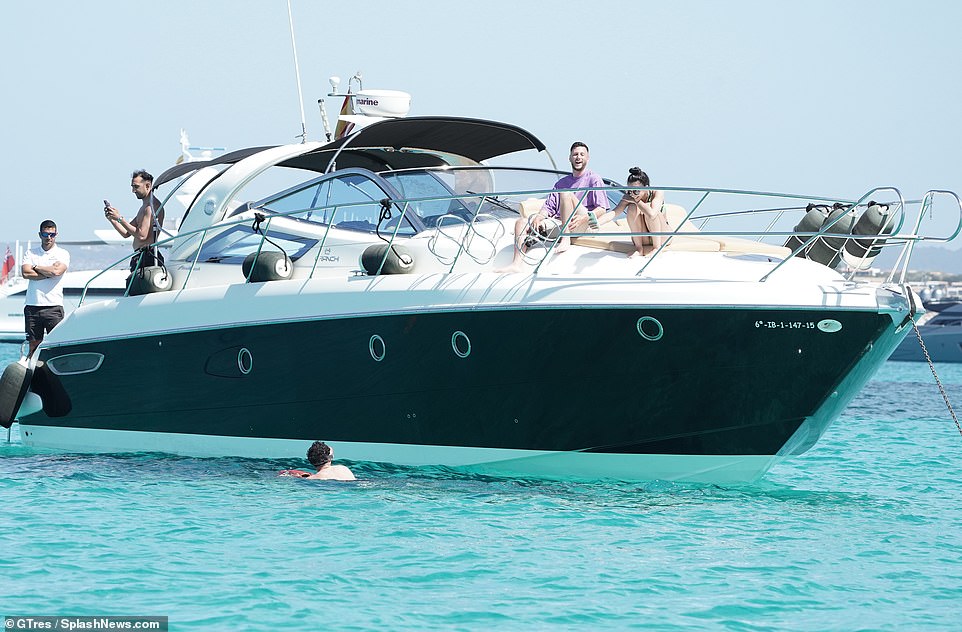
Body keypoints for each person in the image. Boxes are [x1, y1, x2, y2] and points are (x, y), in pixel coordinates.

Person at [496, 142, 609, 272]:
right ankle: (516, 264)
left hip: (582, 222)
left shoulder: (594, 179)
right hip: (561, 223)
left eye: (582, 155)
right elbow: (549, 207)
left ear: (587, 158)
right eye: (575, 154)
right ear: (570, 158)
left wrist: (583, 218)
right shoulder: (561, 183)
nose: (578, 157)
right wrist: (539, 217)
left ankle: (565, 238)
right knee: (521, 222)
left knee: (566, 193)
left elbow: (602, 209)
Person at [21, 220, 70, 357]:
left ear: (56, 234)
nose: (49, 237)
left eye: (52, 234)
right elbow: (26, 273)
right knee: (34, 345)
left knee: (56, 344)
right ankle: (34, 372)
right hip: (33, 306)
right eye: (45, 234)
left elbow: (57, 272)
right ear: (40, 234)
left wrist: (36, 267)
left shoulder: (62, 253)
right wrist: (48, 272)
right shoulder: (31, 253)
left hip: (53, 307)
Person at [104, 169, 166, 275]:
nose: (133, 190)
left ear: (147, 186)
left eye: (136, 187)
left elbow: (142, 235)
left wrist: (119, 218)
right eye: (132, 187)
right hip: (140, 256)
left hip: (147, 257)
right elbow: (126, 233)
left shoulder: (151, 207)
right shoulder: (144, 207)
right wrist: (113, 220)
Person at [604, 167, 669, 258]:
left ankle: (656, 248)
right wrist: (596, 222)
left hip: (661, 237)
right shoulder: (629, 197)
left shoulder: (657, 192)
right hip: (643, 239)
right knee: (632, 208)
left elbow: (652, 214)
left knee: (649, 208)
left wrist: (637, 201)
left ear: (646, 188)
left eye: (636, 191)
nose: (633, 194)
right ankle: (639, 248)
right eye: (629, 191)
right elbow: (615, 212)